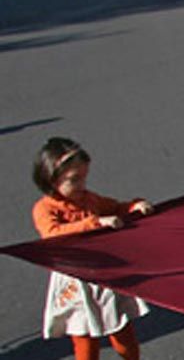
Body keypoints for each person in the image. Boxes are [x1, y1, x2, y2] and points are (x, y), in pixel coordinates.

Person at [31, 137, 153, 360]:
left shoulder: (88, 199)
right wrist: (95, 223)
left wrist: (135, 205)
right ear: (51, 179)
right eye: (73, 180)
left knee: (122, 333)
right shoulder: (44, 208)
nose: (81, 185)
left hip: (103, 276)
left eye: (83, 178)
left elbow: (116, 207)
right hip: (75, 283)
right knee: (85, 341)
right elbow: (52, 234)